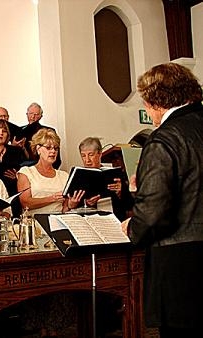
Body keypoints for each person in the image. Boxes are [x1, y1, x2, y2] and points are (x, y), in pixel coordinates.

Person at [121, 62, 203, 337]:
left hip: (181, 265)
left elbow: (155, 213)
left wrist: (132, 227)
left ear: (154, 101)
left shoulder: (164, 139)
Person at [17, 128, 83, 214]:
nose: (53, 151)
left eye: (56, 148)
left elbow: (65, 209)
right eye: (48, 148)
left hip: (59, 221)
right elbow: (25, 204)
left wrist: (72, 204)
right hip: (35, 222)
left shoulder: (64, 176)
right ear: (38, 149)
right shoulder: (26, 172)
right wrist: (52, 198)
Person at [78, 137, 133, 221]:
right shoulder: (79, 176)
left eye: (91, 155)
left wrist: (121, 192)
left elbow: (130, 205)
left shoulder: (115, 174)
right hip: (92, 221)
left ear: (100, 154)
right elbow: (74, 206)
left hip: (116, 219)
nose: (87, 160)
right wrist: (88, 203)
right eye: (83, 156)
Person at [0, 119, 27, 217]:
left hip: (13, 195)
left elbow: (26, 172)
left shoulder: (17, 152)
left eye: (4, 131)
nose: (1, 133)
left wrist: (18, 177)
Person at [20, 102, 61, 168]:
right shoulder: (20, 130)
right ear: (27, 114)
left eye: (36, 114)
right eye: (31, 114)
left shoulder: (49, 131)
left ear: (41, 117)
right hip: (24, 167)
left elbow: (57, 159)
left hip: (47, 167)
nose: (33, 117)